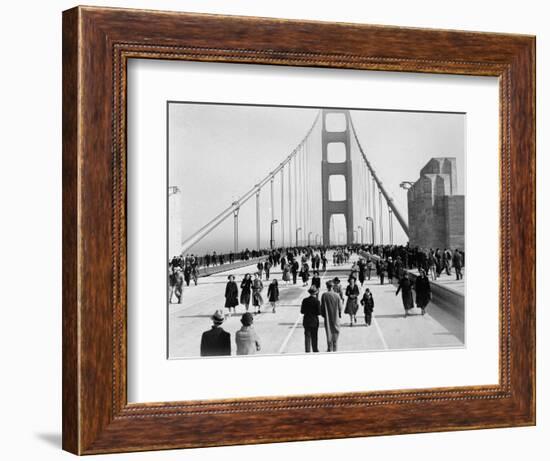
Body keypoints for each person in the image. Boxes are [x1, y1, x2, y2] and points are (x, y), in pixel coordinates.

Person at [320, 280, 342, 352]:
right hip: (336, 318)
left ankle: (329, 348)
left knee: (329, 332)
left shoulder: (324, 295)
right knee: (335, 332)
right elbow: (340, 307)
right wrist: (339, 314)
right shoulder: (337, 295)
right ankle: (335, 349)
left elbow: (322, 308)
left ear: (327, 287)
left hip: (328, 317)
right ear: (333, 287)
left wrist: (324, 315)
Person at [301, 286, 321, 352]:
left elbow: (302, 311)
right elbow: (318, 313)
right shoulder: (317, 301)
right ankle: (315, 350)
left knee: (307, 337)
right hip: (314, 321)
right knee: (314, 337)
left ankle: (307, 351)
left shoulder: (305, 300)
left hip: (306, 321)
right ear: (315, 293)